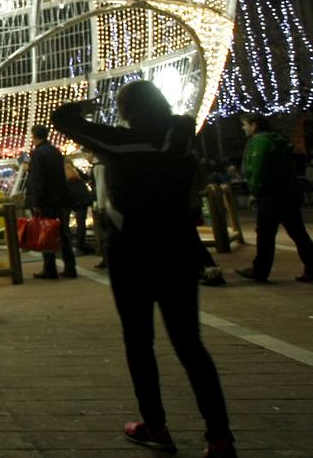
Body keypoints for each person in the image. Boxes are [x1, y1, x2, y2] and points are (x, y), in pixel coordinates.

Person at [53, 82, 235, 458]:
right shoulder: (181, 136)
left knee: (139, 342)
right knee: (190, 345)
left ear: (127, 111)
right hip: (178, 249)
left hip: (133, 251)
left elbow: (61, 119)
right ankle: (220, 437)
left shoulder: (121, 142)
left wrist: (85, 107)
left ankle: (155, 425)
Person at [235, 114, 313, 283]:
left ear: (254, 125)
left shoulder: (259, 143)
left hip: (270, 197)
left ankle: (260, 270)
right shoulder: (279, 141)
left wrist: (255, 191)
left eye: (245, 125)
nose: (243, 128)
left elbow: (258, 170)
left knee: (265, 235)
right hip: (288, 195)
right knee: (298, 233)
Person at [26, 124, 76, 279]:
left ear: (34, 136)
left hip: (47, 201)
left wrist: (37, 202)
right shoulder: (55, 151)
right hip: (61, 199)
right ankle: (70, 267)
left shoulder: (38, 154)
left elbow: (38, 180)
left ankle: (50, 268)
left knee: (46, 234)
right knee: (63, 234)